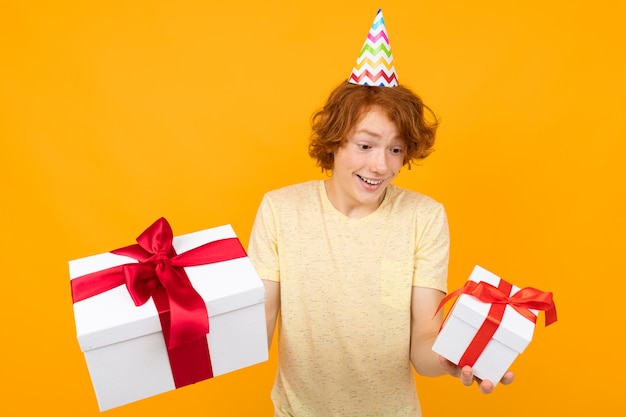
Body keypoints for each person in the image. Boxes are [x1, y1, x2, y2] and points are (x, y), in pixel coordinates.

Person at [247, 9, 513, 417]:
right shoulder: (281, 210)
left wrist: (453, 357)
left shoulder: (424, 218)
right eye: (366, 145)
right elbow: (256, 327)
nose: (381, 166)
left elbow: (424, 339)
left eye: (395, 149)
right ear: (335, 141)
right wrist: (179, 328)